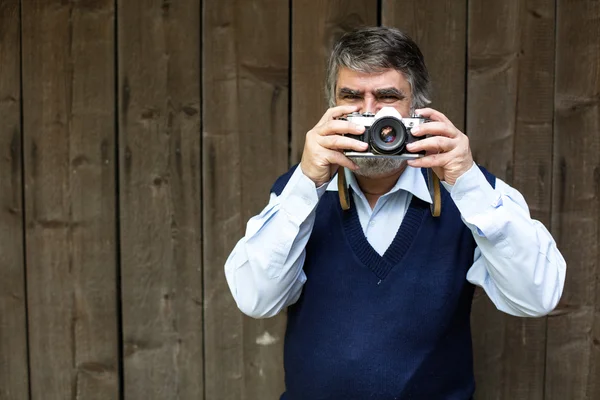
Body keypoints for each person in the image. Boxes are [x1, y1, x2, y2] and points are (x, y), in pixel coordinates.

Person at [224, 26, 566, 400]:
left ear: (416, 111)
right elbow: (256, 299)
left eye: (387, 97)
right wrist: (306, 184)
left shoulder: (470, 192)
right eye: (351, 97)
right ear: (331, 109)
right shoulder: (300, 191)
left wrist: (466, 182)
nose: (370, 115)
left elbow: (538, 296)